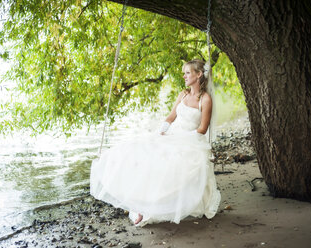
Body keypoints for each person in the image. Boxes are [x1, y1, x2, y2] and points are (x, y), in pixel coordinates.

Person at [90, 59, 221, 226]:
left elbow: (202, 129)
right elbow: (171, 116)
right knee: (139, 152)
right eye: (184, 73)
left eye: (187, 72)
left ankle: (150, 208)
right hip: (173, 135)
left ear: (199, 74)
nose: (184, 76)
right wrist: (162, 130)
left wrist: (180, 138)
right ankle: (141, 206)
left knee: (169, 162)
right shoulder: (183, 94)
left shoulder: (205, 99)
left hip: (191, 140)